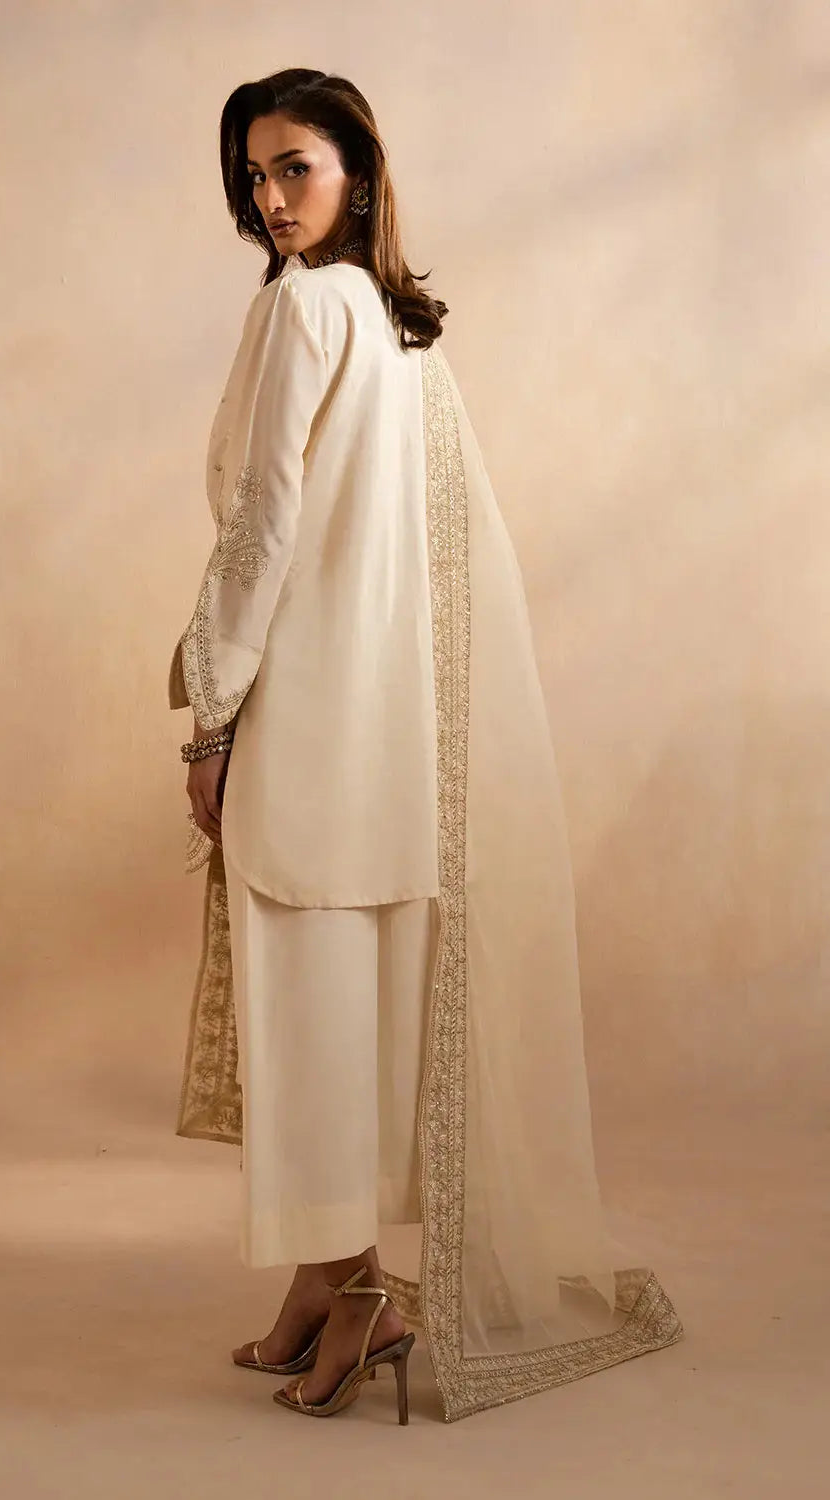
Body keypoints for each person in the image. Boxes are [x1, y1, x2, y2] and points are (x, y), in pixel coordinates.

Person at [169, 68, 683, 1424]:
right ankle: (320, 1282)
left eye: (296, 167)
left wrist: (211, 712)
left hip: (309, 709)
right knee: (344, 1007)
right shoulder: (403, 324)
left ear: (358, 173)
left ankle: (360, 1300)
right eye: (255, 174)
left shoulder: (306, 308)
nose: (272, 198)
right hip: (396, 723)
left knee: (309, 1015)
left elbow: (265, 522)